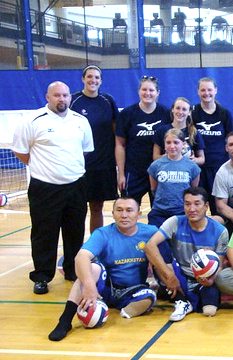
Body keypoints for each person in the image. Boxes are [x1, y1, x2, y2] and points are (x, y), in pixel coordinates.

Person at [12, 81, 94, 295]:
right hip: (44, 189)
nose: (62, 99)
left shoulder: (81, 121)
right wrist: (44, 168)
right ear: (48, 97)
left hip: (76, 186)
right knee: (44, 234)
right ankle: (42, 276)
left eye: (65, 95)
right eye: (57, 95)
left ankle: (72, 271)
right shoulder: (31, 120)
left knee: (75, 232)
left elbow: (84, 151)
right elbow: (21, 151)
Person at [47, 197, 158, 341]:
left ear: (139, 214)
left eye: (129, 210)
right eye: (119, 210)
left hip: (133, 289)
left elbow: (167, 256)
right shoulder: (103, 233)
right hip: (105, 288)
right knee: (92, 268)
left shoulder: (151, 232)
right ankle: (65, 320)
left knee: (150, 296)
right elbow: (81, 257)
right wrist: (88, 285)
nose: (124, 215)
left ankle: (109, 311)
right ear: (112, 214)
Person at [144, 187, 229, 322]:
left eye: (197, 204)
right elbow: (149, 246)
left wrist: (211, 278)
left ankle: (189, 298)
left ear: (206, 206)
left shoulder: (220, 231)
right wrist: (169, 274)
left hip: (204, 277)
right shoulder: (175, 222)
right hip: (179, 274)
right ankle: (181, 300)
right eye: (187, 204)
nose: (192, 209)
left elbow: (219, 264)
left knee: (209, 310)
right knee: (159, 247)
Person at [70, 65, 119, 233]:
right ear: (83, 79)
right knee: (77, 208)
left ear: (101, 81)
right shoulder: (74, 100)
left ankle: (94, 246)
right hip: (79, 165)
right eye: (90, 77)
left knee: (96, 207)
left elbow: (115, 130)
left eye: (97, 77)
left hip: (103, 164)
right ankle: (75, 248)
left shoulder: (108, 101)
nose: (93, 80)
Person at [115, 76, 170, 205]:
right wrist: (121, 174)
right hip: (134, 172)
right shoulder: (127, 114)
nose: (147, 93)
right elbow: (120, 145)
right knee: (128, 209)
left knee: (159, 212)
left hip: (159, 171)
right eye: (144, 89)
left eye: (151, 90)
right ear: (139, 91)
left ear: (158, 93)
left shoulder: (166, 114)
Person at [192, 77, 233, 204]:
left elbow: (231, 138)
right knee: (198, 205)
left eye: (209, 90)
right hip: (198, 168)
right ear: (198, 92)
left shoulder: (224, 113)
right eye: (203, 90)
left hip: (219, 167)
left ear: (215, 90)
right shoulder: (192, 113)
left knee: (219, 206)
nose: (206, 93)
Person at [147, 129, 201, 227]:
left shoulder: (192, 167)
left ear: (183, 144)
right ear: (164, 144)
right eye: (168, 142)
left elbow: (193, 190)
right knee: (156, 240)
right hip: (160, 212)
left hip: (182, 212)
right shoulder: (155, 166)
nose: (172, 146)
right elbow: (154, 189)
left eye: (176, 142)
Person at [153, 97, 205, 165]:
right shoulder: (162, 130)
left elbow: (202, 159)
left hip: (186, 172)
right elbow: (155, 157)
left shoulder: (194, 132)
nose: (180, 112)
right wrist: (166, 157)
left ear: (189, 112)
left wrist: (193, 160)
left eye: (184, 109)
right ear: (172, 109)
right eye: (177, 108)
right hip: (167, 170)